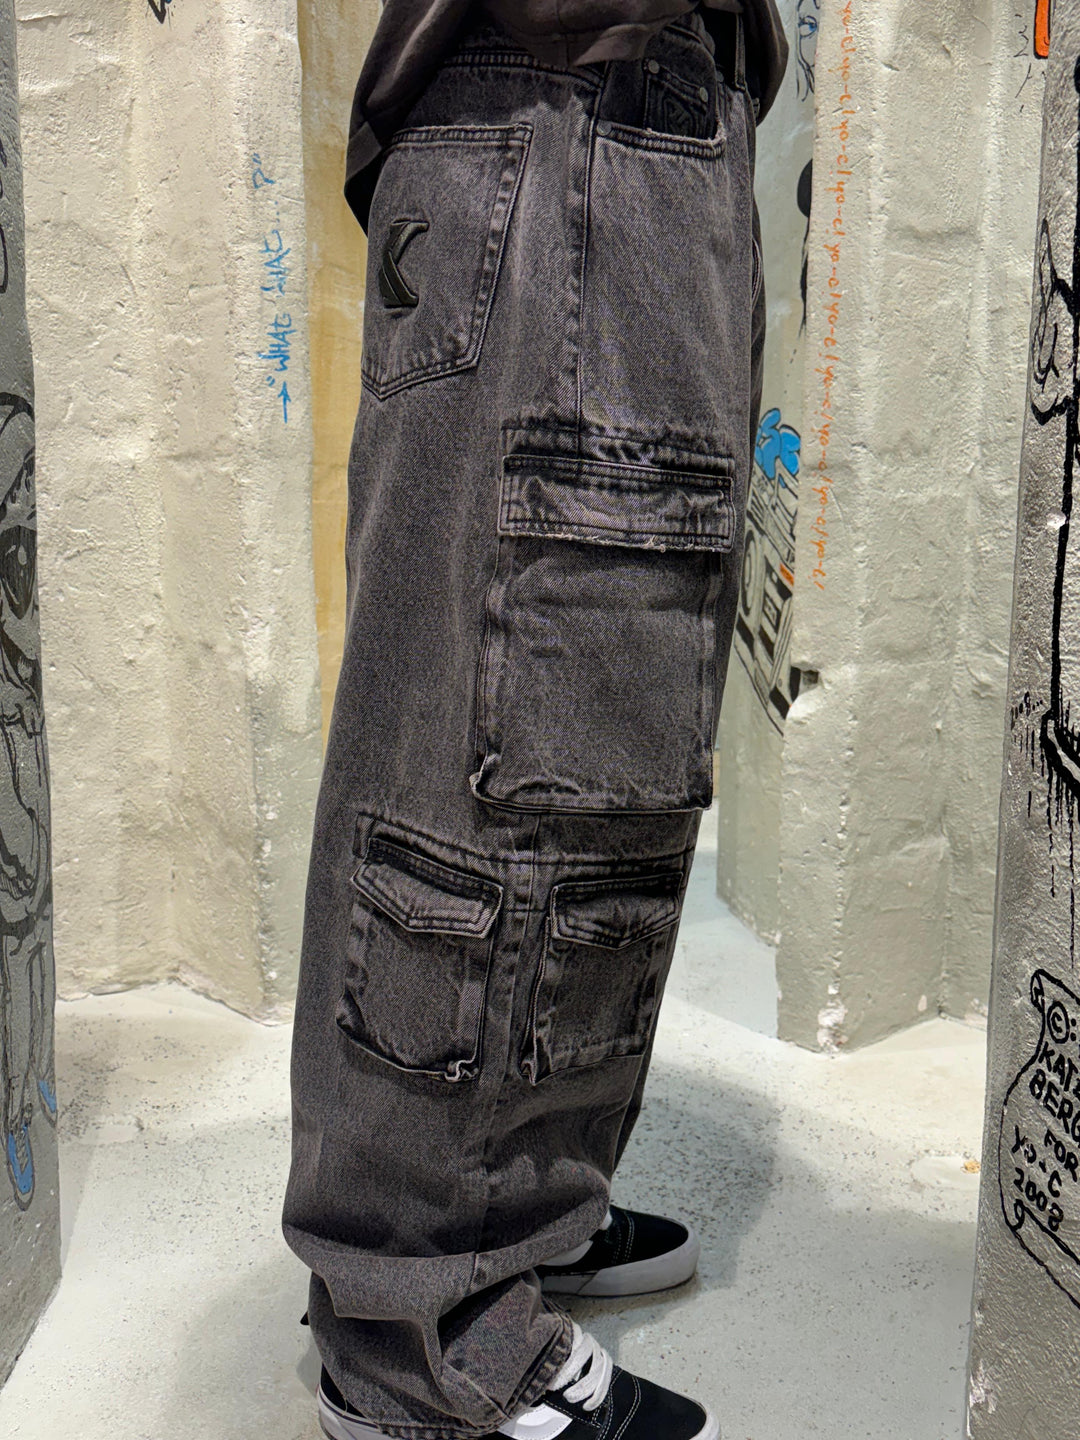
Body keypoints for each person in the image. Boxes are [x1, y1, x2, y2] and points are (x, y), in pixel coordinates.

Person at [282, 3, 788, 1437]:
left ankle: (512, 1205)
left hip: (628, 137)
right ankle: (420, 1326)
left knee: (600, 724)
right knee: (498, 739)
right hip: (565, 113)